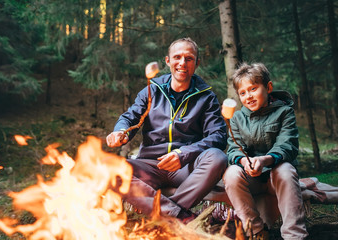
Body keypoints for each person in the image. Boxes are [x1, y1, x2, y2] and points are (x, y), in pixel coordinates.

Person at [106, 37, 227, 223]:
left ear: (197, 63)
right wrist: (120, 132)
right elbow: (130, 118)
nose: (182, 63)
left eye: (189, 58)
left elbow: (217, 136)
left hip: (186, 167)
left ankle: (163, 216)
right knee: (109, 169)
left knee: (217, 157)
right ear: (168, 61)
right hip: (149, 166)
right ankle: (181, 217)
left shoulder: (206, 97)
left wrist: (183, 154)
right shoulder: (151, 90)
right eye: (177, 57)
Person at [223, 62, 308, 239]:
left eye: (253, 89)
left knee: (285, 170)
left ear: (268, 87)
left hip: (275, 178)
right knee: (231, 173)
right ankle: (256, 230)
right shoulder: (238, 118)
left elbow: (287, 145)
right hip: (252, 177)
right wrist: (245, 161)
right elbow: (234, 148)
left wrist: (265, 160)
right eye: (243, 93)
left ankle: (295, 234)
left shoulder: (284, 112)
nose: (249, 96)